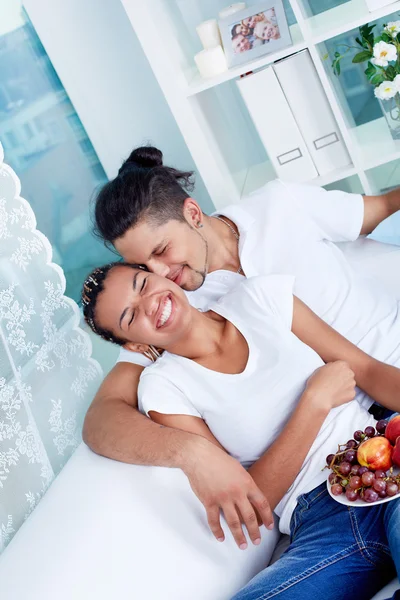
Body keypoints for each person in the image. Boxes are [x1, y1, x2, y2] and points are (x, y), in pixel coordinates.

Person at [83, 145, 400, 549]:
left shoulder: (279, 205)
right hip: (354, 433)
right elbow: (100, 421)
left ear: (193, 214)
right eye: (144, 267)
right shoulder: (170, 312)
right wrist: (193, 454)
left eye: (162, 251)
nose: (161, 273)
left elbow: (382, 207)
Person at [81, 263, 400, 599]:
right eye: (130, 317)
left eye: (143, 284)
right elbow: (252, 501)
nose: (150, 304)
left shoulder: (260, 297)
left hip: (384, 457)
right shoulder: (163, 389)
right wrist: (314, 403)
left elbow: (365, 368)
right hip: (324, 519)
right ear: (132, 344)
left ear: (161, 276)